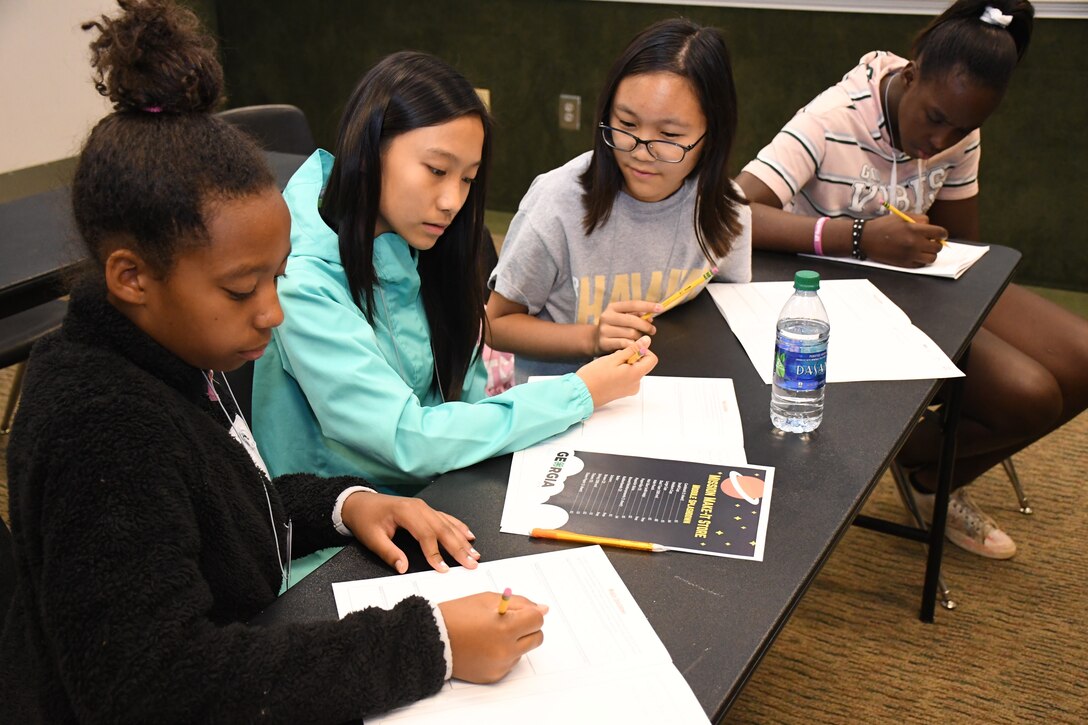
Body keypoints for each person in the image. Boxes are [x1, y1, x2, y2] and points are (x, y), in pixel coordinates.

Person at [0, 3, 548, 721]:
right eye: (240, 289)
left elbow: (227, 505)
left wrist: (345, 502)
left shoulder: (172, 352)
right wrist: (431, 642)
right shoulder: (98, 428)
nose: (273, 311)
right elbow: (158, 686)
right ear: (133, 276)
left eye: (277, 276)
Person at [736, 0, 1088, 559]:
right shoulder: (833, 117)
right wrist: (857, 236)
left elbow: (964, 244)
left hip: (917, 284)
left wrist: (927, 238)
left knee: (1083, 357)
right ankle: (912, 460)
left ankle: (926, 476)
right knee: (1031, 395)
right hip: (835, 297)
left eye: (963, 128)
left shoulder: (958, 124)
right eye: (935, 118)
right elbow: (734, 215)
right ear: (910, 74)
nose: (940, 140)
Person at [253, 51, 657, 495]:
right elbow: (406, 438)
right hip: (338, 531)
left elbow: (463, 387)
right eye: (437, 170)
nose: (452, 200)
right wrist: (579, 393)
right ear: (368, 153)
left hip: (438, 487)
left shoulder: (421, 239)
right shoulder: (302, 282)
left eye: (467, 179)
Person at [486, 18, 752, 379]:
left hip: (670, 389)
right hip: (564, 401)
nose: (640, 151)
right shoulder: (556, 205)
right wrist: (592, 337)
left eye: (669, 134)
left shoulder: (725, 206)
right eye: (626, 124)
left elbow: (729, 307)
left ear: (713, 134)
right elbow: (496, 324)